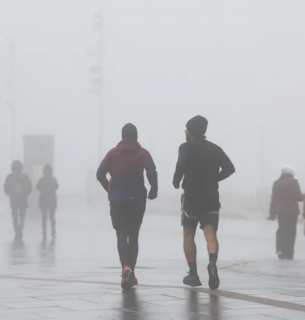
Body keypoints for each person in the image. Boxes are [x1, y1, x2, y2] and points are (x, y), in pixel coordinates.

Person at [173, 116, 235, 289]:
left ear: (192, 131)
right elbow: (230, 168)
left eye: (186, 129)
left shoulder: (185, 147)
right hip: (210, 196)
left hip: (192, 196)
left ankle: (193, 274)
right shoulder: (215, 149)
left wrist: (176, 181)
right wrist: (215, 178)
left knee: (188, 235)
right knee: (211, 234)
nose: (184, 131)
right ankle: (212, 264)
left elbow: (180, 166)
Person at [96, 123, 158, 290]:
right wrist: (154, 189)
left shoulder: (113, 153)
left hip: (117, 200)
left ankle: (125, 268)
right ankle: (131, 273)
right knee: (134, 235)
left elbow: (99, 174)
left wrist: (110, 188)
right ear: (136, 136)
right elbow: (152, 172)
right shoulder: (143, 153)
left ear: (122, 136)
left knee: (121, 235)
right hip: (137, 199)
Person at [269, 166, 303, 260]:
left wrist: (272, 213)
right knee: (291, 232)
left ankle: (280, 250)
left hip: (280, 210)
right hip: (291, 211)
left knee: (281, 230)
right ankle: (289, 253)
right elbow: (298, 197)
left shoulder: (276, 183)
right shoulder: (294, 182)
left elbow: (273, 199)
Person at [4, 160, 32, 240]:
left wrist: (10, 193)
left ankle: (17, 230)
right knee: (22, 214)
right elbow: (29, 187)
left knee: (15, 215)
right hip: (22, 198)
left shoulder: (9, 177)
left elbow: (6, 188)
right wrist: (26, 194)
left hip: (14, 198)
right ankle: (20, 227)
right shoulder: (24, 176)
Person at [37, 164, 59, 243]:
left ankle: (44, 232)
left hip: (43, 200)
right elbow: (57, 187)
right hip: (52, 200)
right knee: (52, 218)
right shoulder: (53, 180)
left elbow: (38, 187)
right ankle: (53, 232)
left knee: (44, 218)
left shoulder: (42, 180)